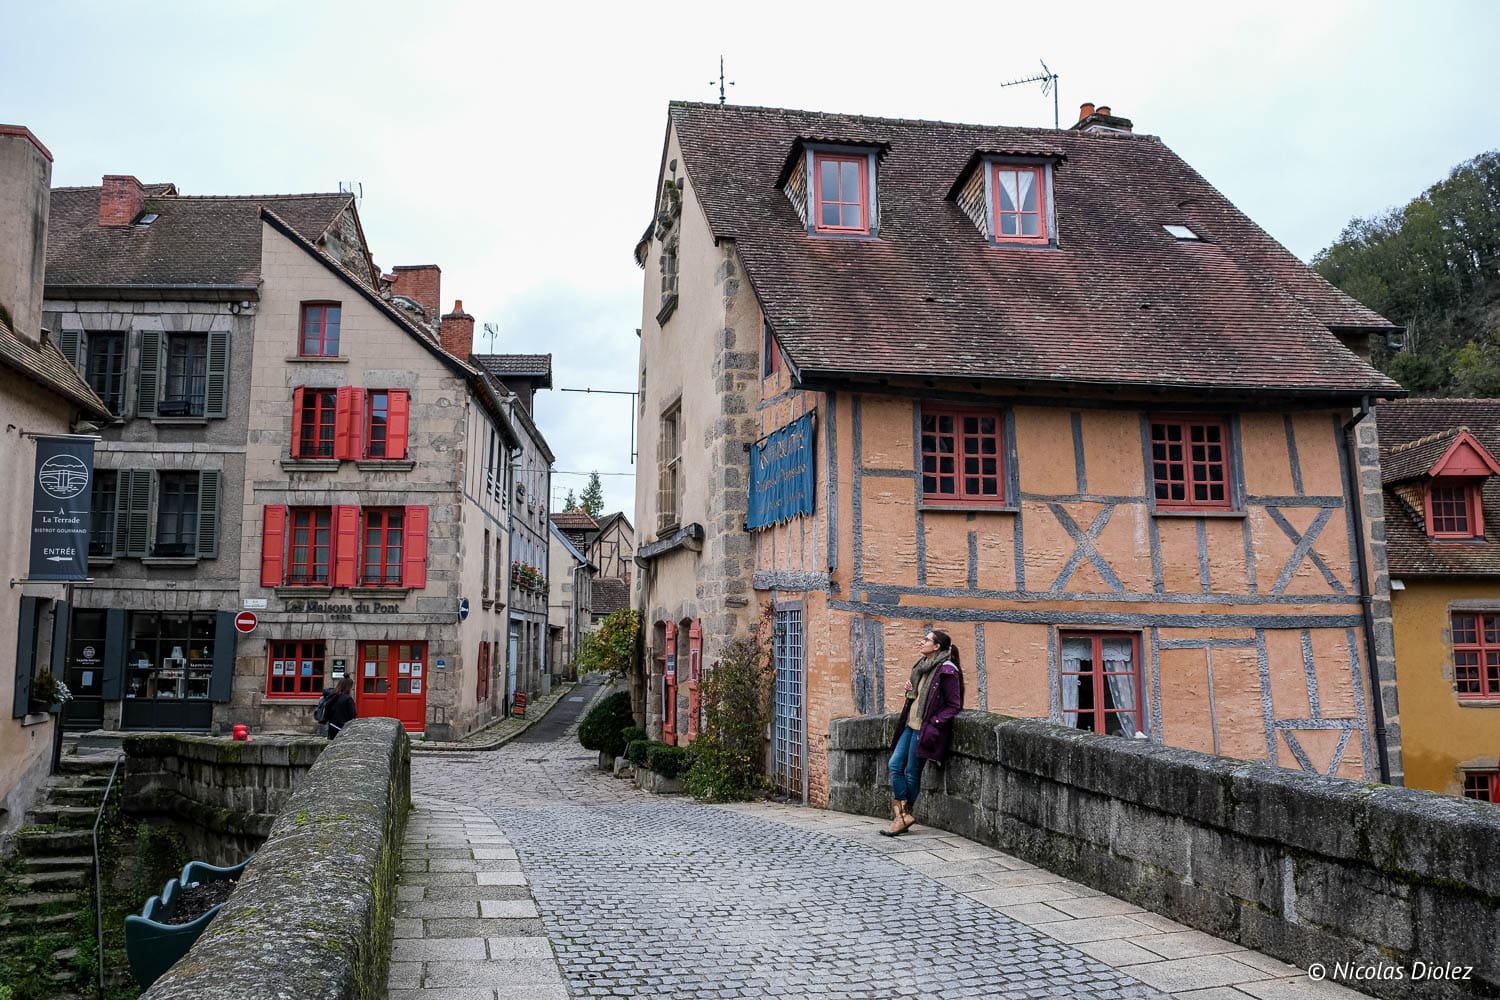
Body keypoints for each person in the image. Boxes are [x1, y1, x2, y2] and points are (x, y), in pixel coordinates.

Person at [881, 629, 964, 837]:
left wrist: (934, 722)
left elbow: (954, 705)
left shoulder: (947, 670)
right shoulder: (922, 666)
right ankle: (903, 815)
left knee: (912, 771)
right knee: (894, 765)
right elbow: (918, 698)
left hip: (925, 729)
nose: (922, 642)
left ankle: (903, 816)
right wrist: (910, 690)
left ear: (937, 646)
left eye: (926, 640)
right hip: (911, 725)